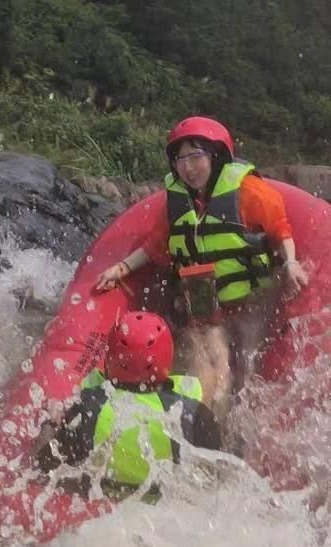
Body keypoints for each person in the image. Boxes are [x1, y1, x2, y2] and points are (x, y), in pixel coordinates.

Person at [95, 117, 308, 422]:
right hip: (203, 296)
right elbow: (158, 244)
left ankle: (232, 424)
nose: (188, 168)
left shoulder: (250, 192)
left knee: (247, 362)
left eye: (196, 156)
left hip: (250, 297)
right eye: (180, 159)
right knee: (211, 359)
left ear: (216, 155)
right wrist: (122, 267)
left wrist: (290, 263)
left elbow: (280, 231)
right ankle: (203, 426)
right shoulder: (177, 203)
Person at [36, 311, 221, 503]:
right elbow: (212, 477)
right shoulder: (193, 415)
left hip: (101, 505)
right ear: (167, 358)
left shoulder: (88, 408)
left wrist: (50, 423)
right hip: (165, 510)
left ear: (111, 357)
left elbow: (44, 465)